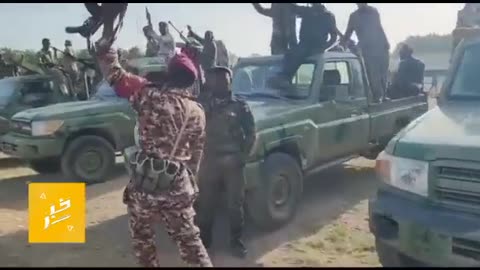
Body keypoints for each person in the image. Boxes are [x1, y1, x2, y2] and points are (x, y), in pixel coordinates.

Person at [87, 4, 212, 267]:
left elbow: (114, 72)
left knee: (144, 242)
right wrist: (191, 185)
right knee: (190, 243)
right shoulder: (198, 112)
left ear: (169, 73)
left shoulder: (149, 95)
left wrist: (107, 41)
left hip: (146, 186)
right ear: (190, 81)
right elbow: (196, 155)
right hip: (179, 185)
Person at [196, 66, 256, 258]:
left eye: (223, 79)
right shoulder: (202, 104)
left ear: (230, 82)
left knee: (234, 206)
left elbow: (251, 133)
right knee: (206, 204)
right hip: (209, 163)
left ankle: (236, 242)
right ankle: (205, 241)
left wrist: (242, 157)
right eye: (215, 79)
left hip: (233, 164)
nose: (219, 82)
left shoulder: (240, 106)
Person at [272, 3, 337, 88]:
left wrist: (323, 48)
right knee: (291, 54)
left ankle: (285, 77)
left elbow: (334, 36)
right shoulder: (306, 11)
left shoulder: (328, 16)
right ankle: (284, 78)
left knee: (296, 54)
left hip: (317, 45)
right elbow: (291, 7)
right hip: (304, 43)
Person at [341, 3, 390, 103]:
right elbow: (348, 33)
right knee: (372, 73)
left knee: (383, 73)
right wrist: (343, 44)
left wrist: (386, 41)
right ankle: (377, 97)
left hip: (381, 46)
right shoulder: (354, 16)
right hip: (367, 49)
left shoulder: (374, 12)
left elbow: (379, 27)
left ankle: (384, 95)